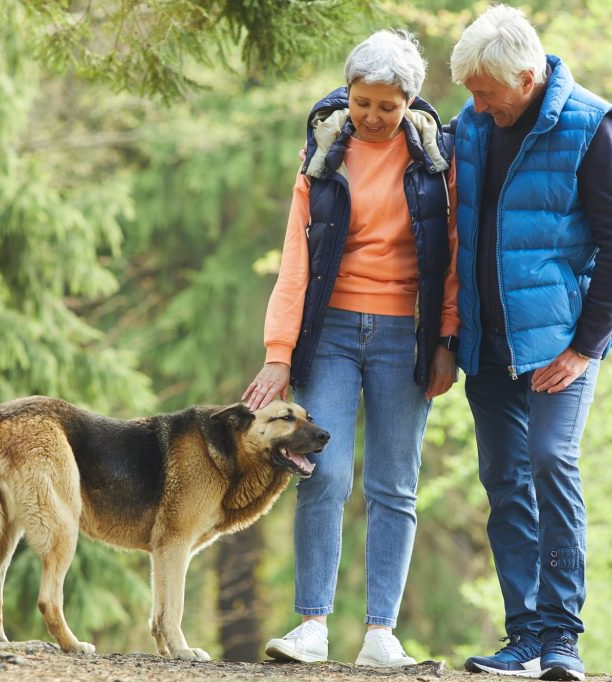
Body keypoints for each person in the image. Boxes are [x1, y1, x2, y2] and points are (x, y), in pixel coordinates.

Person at [241, 29, 460, 667]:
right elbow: (294, 263)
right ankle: (311, 625)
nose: (372, 117)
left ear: (409, 104)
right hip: (330, 332)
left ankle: (380, 635)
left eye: (387, 107)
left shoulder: (433, 167)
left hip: (403, 337)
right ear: (349, 95)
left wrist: (445, 339)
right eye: (362, 102)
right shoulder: (324, 158)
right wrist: (279, 351)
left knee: (394, 484)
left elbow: (448, 263)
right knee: (324, 471)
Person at [447, 6, 612, 681]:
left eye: (484, 91)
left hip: (560, 346)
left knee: (550, 460)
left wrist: (584, 349)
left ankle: (563, 638)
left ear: (527, 77)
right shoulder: (474, 125)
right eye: (469, 91)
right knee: (504, 482)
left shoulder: (592, 127)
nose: (473, 104)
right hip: (486, 347)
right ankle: (525, 636)